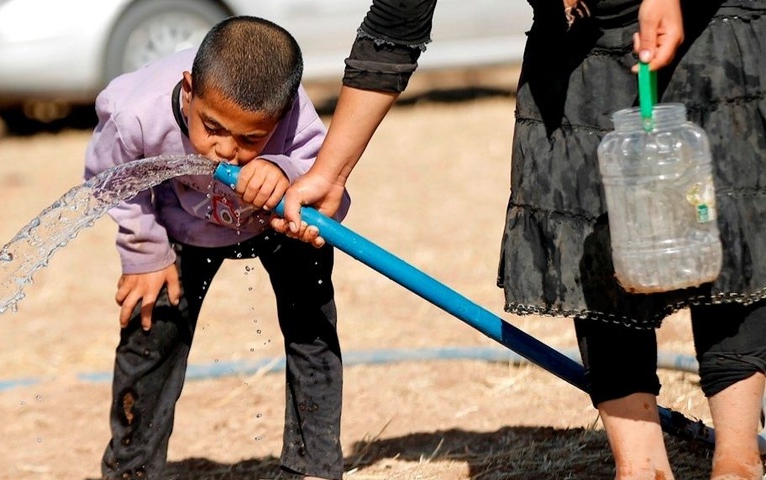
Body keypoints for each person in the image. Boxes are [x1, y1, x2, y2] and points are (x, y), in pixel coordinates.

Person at [271, 1, 766, 479]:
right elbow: (394, 28)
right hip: (573, 55)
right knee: (586, 237)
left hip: (709, 24)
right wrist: (330, 174)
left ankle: (739, 461)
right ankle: (640, 467)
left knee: (724, 216)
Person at [84, 15, 350, 480]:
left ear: (281, 114)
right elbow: (111, 182)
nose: (225, 150)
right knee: (150, 334)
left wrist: (283, 168)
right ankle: (131, 469)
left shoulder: (288, 108)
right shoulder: (135, 112)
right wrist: (144, 252)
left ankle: (313, 466)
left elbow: (326, 177)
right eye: (212, 127)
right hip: (179, 228)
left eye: (250, 138)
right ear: (189, 89)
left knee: (312, 331)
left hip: (275, 224)